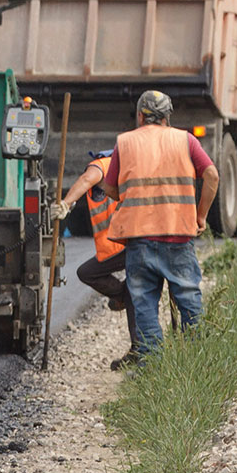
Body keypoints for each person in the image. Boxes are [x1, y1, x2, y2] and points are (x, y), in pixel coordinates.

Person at [101, 90, 221, 365]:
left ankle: (152, 364)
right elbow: (212, 175)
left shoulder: (126, 142)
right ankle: (197, 360)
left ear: (140, 115)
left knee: (143, 301)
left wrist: (131, 195)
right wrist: (200, 216)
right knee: (188, 295)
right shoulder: (186, 140)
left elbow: (109, 187)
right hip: (179, 235)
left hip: (140, 237)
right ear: (167, 117)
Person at [53, 150, 138, 367]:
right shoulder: (131, 164)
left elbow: (86, 179)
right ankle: (139, 347)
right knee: (133, 290)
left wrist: (66, 203)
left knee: (87, 272)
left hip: (124, 242)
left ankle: (123, 302)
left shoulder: (103, 164)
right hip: (134, 239)